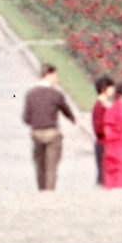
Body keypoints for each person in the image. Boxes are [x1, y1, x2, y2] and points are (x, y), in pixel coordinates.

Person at [22, 63, 76, 191]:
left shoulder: (31, 94)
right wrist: (72, 119)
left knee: (39, 165)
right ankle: (49, 192)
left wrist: (35, 122)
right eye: (55, 76)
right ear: (48, 75)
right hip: (52, 132)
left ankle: (41, 190)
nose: (57, 79)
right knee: (52, 167)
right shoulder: (56, 94)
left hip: (36, 133)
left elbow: (26, 118)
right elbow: (66, 110)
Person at [90, 76, 116, 186]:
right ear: (105, 88)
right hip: (103, 143)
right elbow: (98, 128)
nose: (113, 90)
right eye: (111, 88)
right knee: (103, 177)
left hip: (106, 143)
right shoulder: (99, 106)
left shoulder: (104, 106)